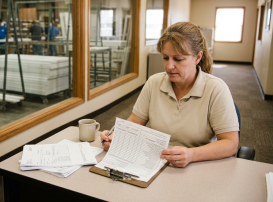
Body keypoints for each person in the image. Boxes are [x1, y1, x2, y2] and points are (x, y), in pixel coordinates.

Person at [100, 22, 239, 168]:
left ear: (198, 58)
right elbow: (134, 122)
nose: (169, 66)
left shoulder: (216, 89)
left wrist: (192, 154)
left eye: (178, 59)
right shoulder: (154, 82)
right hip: (156, 162)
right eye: (165, 58)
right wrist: (117, 136)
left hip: (197, 165)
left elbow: (230, 143)